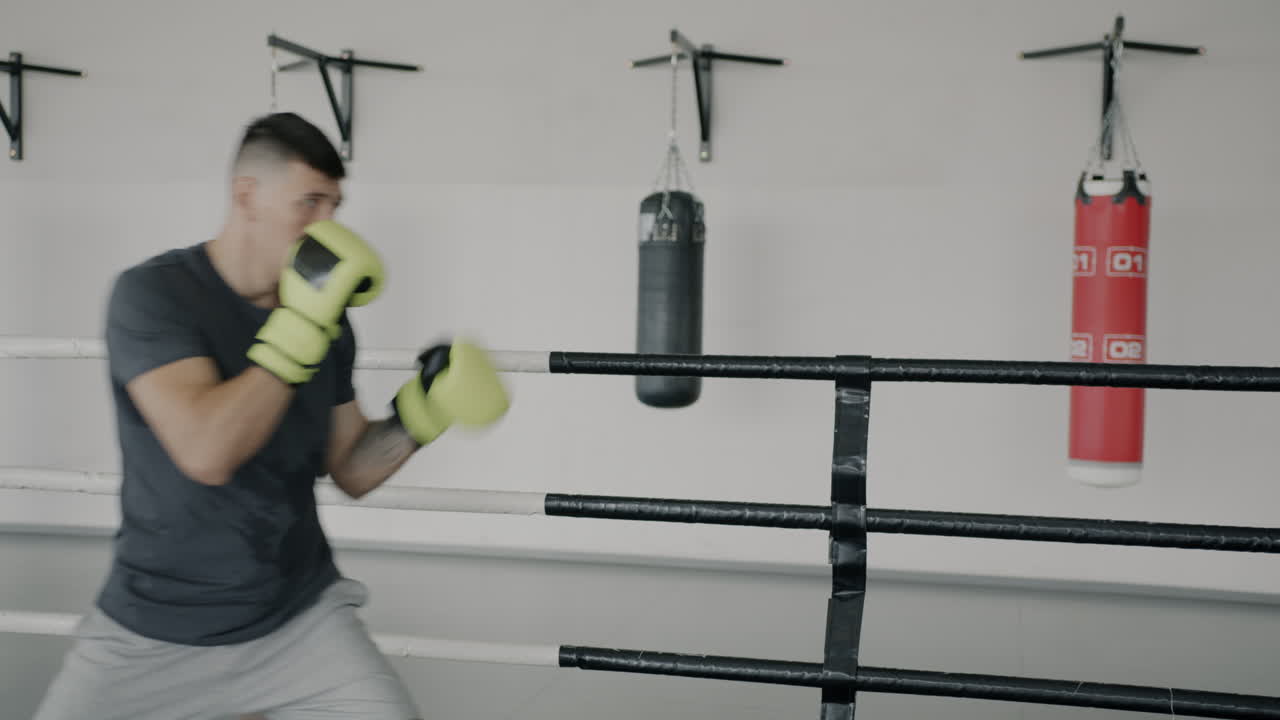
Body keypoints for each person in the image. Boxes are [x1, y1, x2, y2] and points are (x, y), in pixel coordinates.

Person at [33, 112, 509, 720]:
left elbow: (353, 468)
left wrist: (423, 412)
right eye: (308, 202)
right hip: (152, 634)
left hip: (296, 623)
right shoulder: (154, 296)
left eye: (334, 206)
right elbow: (206, 452)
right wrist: (302, 327)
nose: (326, 225)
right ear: (247, 195)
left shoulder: (328, 323)